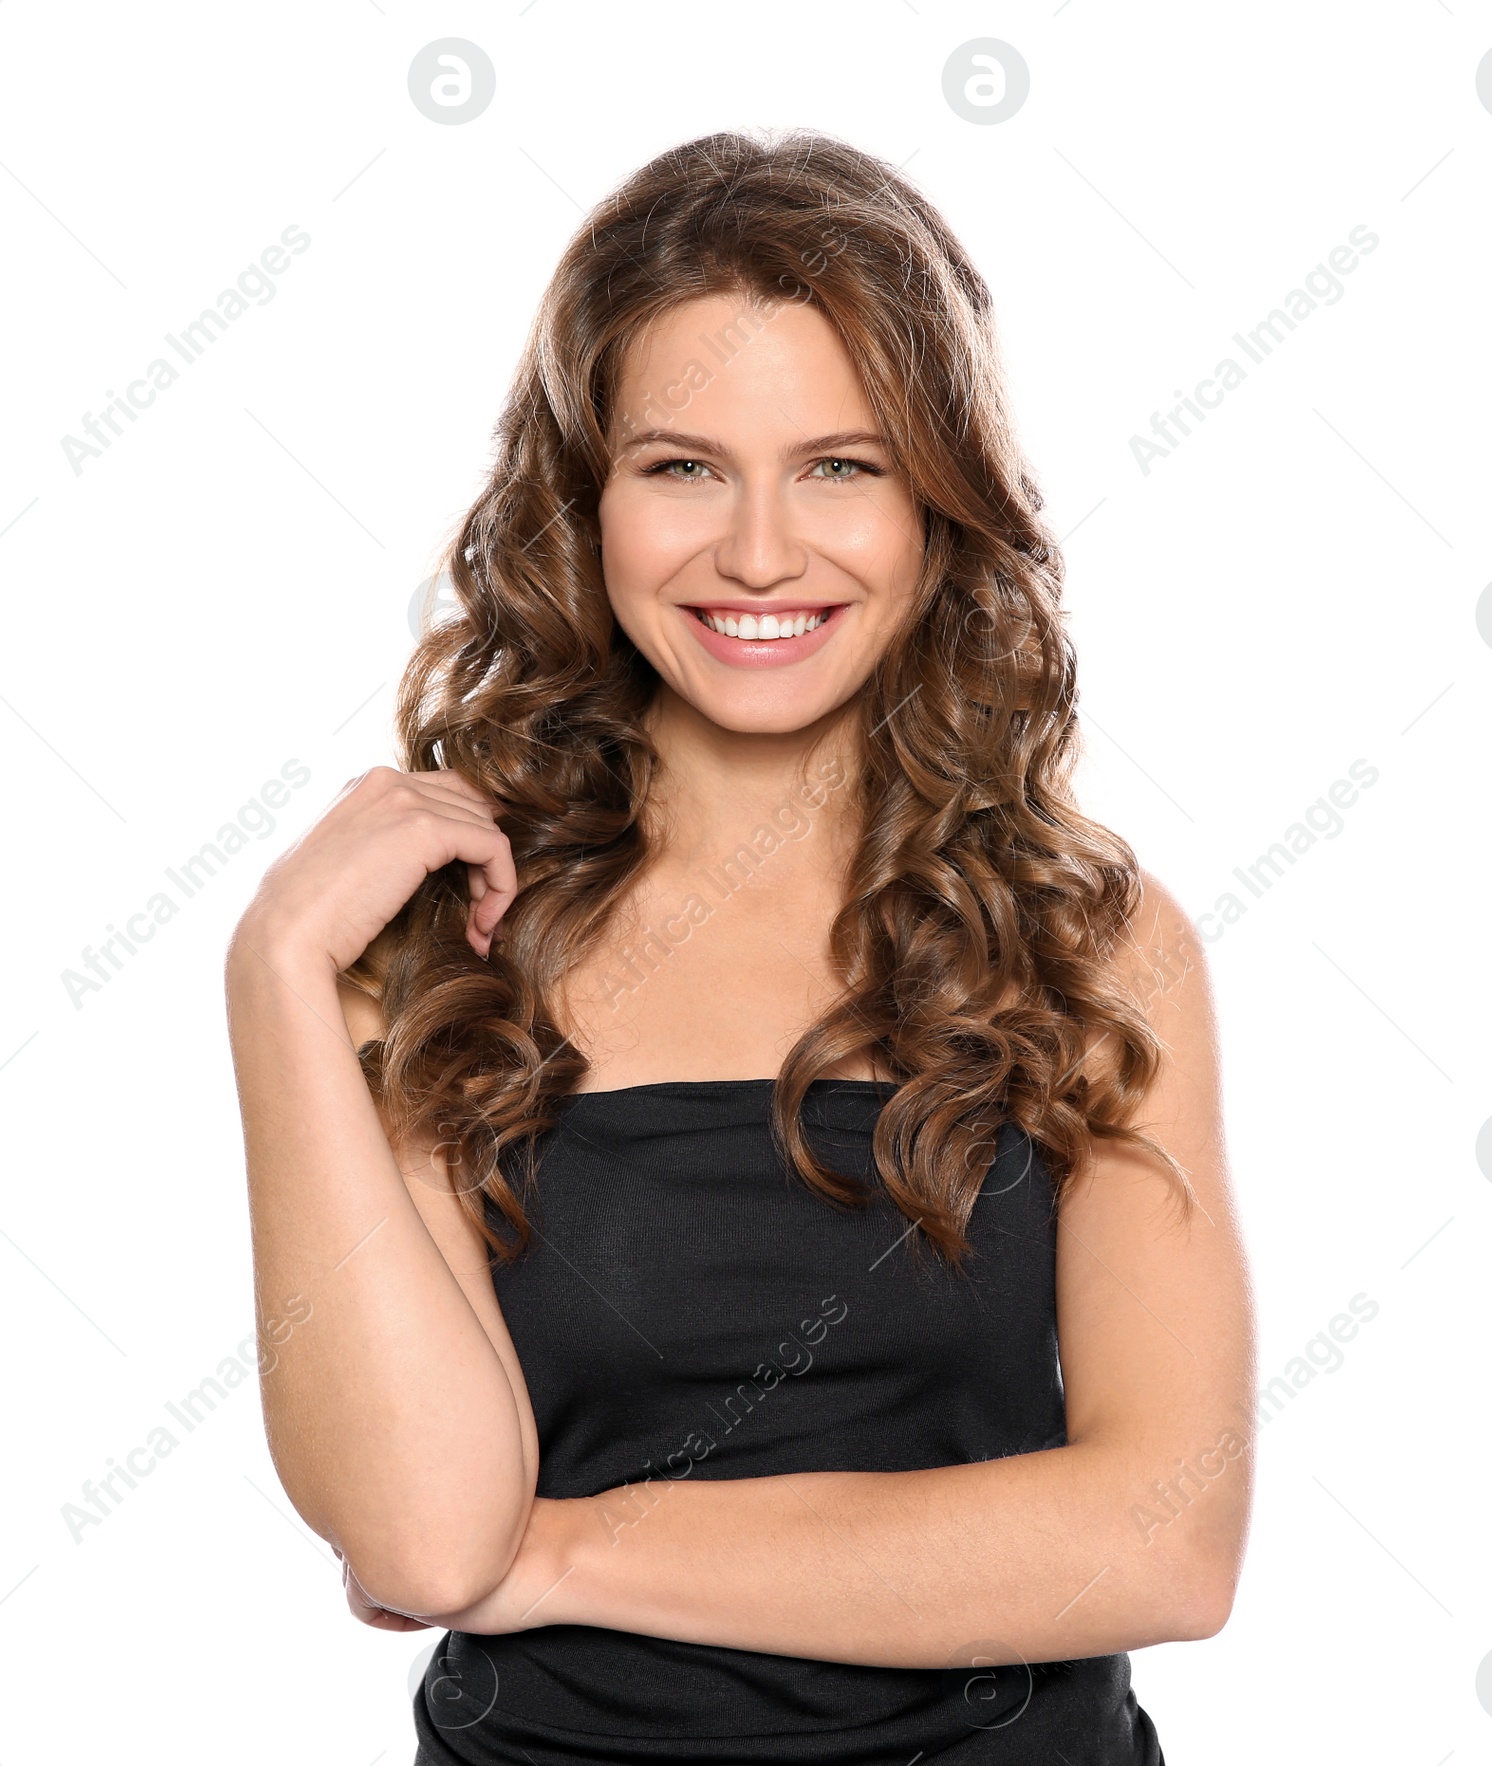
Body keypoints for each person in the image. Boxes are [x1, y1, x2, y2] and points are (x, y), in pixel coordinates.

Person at [226, 129, 1255, 1764]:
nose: (761, 553)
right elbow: (425, 1542)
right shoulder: (427, 948)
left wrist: (560, 1548)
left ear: (938, 506)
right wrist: (275, 971)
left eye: (840, 465)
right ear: (585, 499)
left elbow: (1158, 1541)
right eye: (683, 465)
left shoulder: (1088, 941)